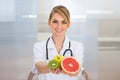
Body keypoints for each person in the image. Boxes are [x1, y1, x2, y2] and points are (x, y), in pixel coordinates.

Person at [28, 5, 90, 80]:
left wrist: (64, 66)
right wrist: (52, 66)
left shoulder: (77, 46)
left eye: (63, 22)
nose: (59, 26)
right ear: (49, 22)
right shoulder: (39, 46)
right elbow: (39, 67)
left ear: (68, 24)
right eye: (55, 21)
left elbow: (77, 70)